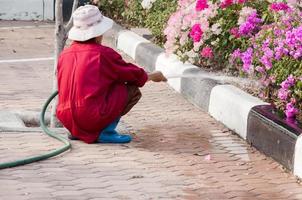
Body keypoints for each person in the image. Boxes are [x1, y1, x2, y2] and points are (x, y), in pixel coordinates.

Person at [56, 5, 167, 144]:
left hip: (65, 116)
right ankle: (104, 131)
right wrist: (154, 76)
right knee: (130, 89)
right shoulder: (103, 54)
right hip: (90, 116)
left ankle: (78, 131)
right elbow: (132, 74)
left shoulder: (65, 54)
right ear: (97, 34)